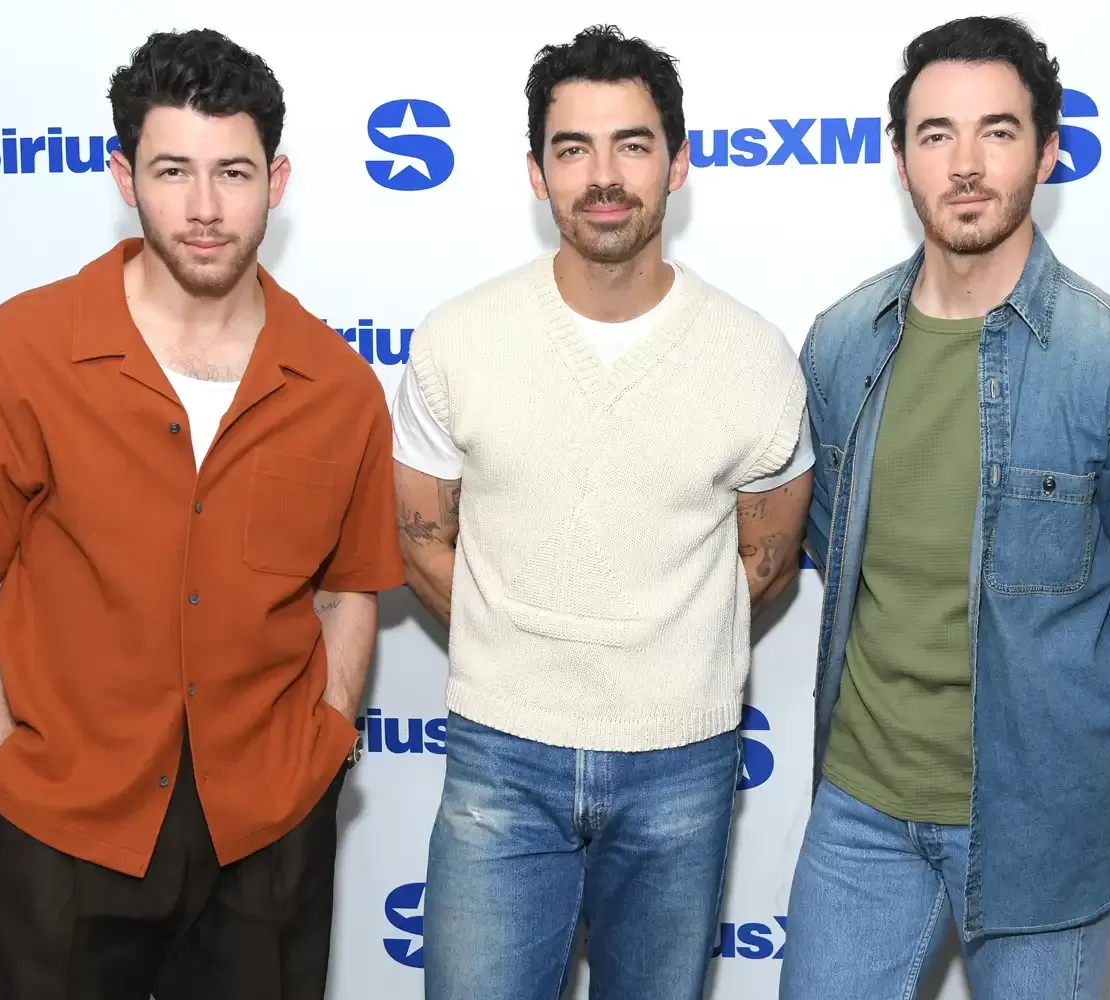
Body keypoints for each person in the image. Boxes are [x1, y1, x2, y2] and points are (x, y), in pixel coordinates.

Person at [0, 28, 402, 1000]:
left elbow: (349, 591)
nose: (204, 208)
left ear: (277, 181)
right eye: (172, 170)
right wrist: (5, 774)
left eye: (233, 172)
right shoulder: (14, 355)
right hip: (65, 827)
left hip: (270, 830)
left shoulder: (339, 386)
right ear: (123, 175)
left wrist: (323, 738)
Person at [780, 16, 1110, 999]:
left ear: (1049, 150)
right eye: (936, 133)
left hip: (1044, 822)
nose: (967, 162)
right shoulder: (843, 343)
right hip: (859, 811)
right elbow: (828, 536)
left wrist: (1062, 684)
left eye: (999, 130)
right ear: (900, 158)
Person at [390, 24, 813, 1000]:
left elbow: (767, 556)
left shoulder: (753, 357)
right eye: (572, 148)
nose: (604, 175)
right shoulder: (459, 339)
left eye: (631, 143)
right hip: (501, 754)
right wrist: (527, 651)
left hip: (683, 761)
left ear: (680, 161)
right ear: (537, 175)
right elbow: (421, 539)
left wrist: (654, 659)